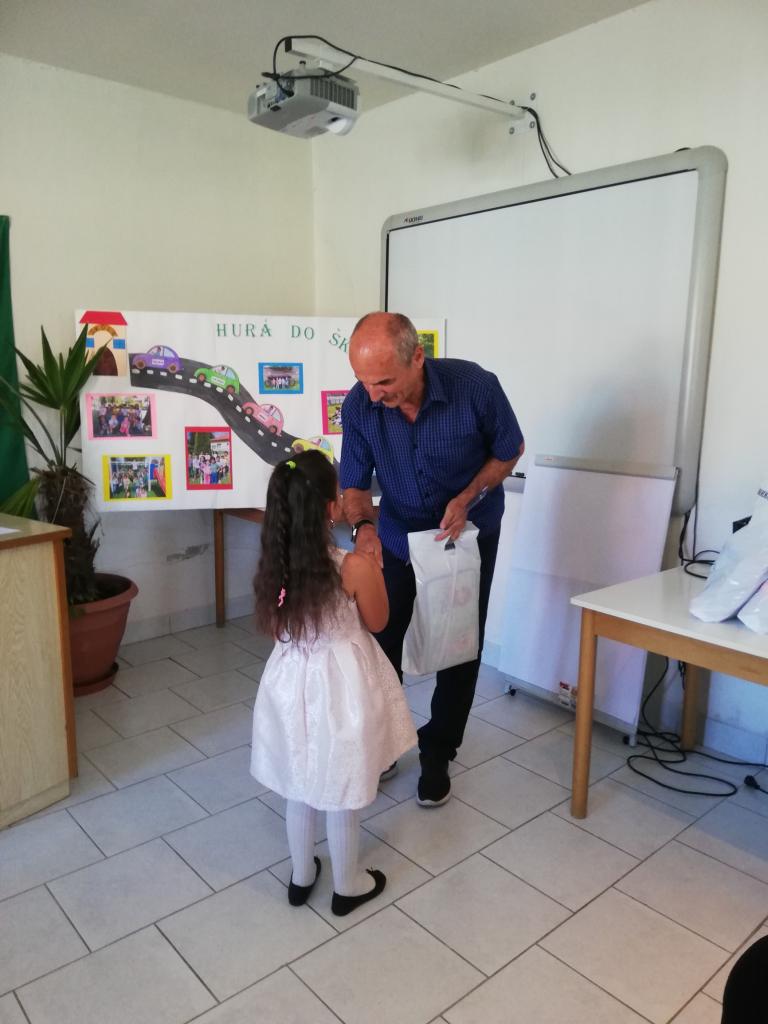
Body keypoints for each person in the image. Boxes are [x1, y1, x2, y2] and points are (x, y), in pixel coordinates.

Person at [341, 311, 524, 807]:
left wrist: (467, 497)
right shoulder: (360, 404)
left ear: (417, 357)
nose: (372, 394)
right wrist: (363, 529)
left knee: (457, 642)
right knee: (380, 639)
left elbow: (510, 449)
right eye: (363, 381)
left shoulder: (475, 387)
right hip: (398, 534)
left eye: (384, 382)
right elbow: (353, 483)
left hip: (465, 534)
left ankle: (438, 751)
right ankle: (385, 742)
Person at [250, 450, 416, 915]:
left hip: (291, 686)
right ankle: (348, 885)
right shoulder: (352, 567)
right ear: (328, 507)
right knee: (342, 784)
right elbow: (379, 622)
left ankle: (301, 877)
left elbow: (279, 629)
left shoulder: (275, 568)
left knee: (299, 780)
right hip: (342, 689)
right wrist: (374, 571)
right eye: (339, 493)